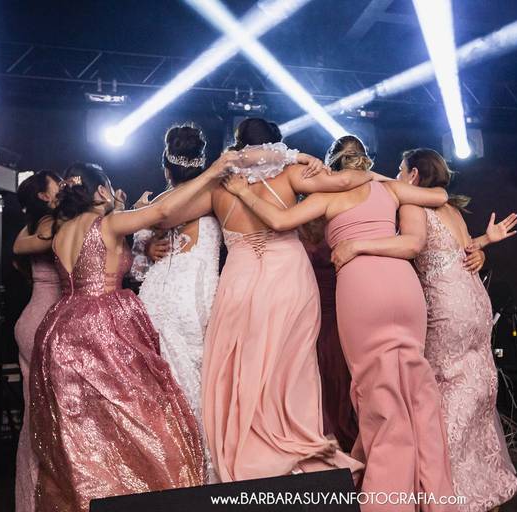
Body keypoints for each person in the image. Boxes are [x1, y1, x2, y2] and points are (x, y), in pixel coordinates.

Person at [222, 136, 456, 511]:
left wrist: (242, 192)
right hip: (404, 287)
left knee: (378, 397)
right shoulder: (388, 189)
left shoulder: (328, 197)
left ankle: (388, 501)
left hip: (362, 290)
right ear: (363, 163)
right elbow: (440, 196)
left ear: (333, 167)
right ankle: (435, 498)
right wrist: (373, 177)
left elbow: (279, 220)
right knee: (418, 392)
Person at [160, 118, 372, 482]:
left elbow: (166, 215)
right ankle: (295, 444)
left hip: (240, 278)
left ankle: (250, 449)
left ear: (238, 145)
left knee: (243, 366)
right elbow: (346, 181)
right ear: (277, 143)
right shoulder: (290, 173)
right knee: (293, 365)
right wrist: (376, 178)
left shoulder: (219, 186)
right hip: (287, 274)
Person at [29, 156, 234, 510]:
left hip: (60, 328)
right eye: (108, 188)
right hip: (103, 325)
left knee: (83, 430)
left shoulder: (61, 231)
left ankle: (89, 499)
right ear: (101, 191)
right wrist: (213, 172)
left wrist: (122, 211)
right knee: (140, 419)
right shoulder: (108, 224)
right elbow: (162, 211)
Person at [330, 148, 517, 511]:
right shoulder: (451, 209)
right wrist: (485, 243)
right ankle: (482, 485)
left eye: (400, 170)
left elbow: (412, 245)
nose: (396, 176)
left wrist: (356, 246)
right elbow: (462, 251)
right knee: (475, 392)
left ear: (414, 175)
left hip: (446, 308)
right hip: (475, 303)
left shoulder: (412, 204)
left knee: (435, 396)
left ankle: (446, 489)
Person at [130, 124, 223, 481]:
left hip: (174, 299)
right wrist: (147, 247)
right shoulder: (209, 192)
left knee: (175, 388)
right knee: (182, 387)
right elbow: (138, 263)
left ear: (166, 166)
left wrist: (142, 222)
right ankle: (185, 472)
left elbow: (159, 219)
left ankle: (181, 472)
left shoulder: (164, 204)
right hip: (177, 298)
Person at [12, 171, 62, 512]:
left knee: (37, 416)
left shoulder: (33, 225)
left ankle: (35, 499)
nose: (64, 184)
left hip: (35, 318)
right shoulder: (53, 225)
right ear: (44, 196)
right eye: (57, 182)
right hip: (46, 322)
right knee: (49, 418)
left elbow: (18, 250)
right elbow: (25, 247)